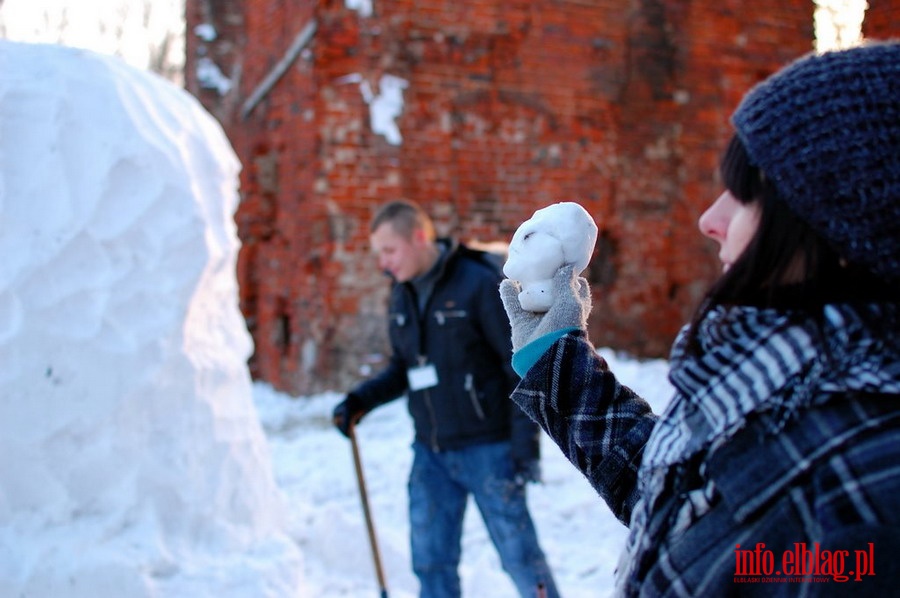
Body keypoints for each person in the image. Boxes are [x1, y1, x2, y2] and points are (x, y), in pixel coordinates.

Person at [499, 41, 900, 596]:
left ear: (842, 222)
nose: (710, 219)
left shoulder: (871, 494)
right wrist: (558, 366)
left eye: (744, 196)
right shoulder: (786, 385)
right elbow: (689, 503)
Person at [333, 200, 560, 598]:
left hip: (489, 449)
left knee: (520, 557)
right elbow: (405, 366)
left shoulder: (475, 283)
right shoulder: (402, 293)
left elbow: (519, 367)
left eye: (389, 251)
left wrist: (525, 448)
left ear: (418, 238)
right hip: (431, 454)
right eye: (379, 254)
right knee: (431, 560)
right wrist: (358, 401)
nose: (383, 263)